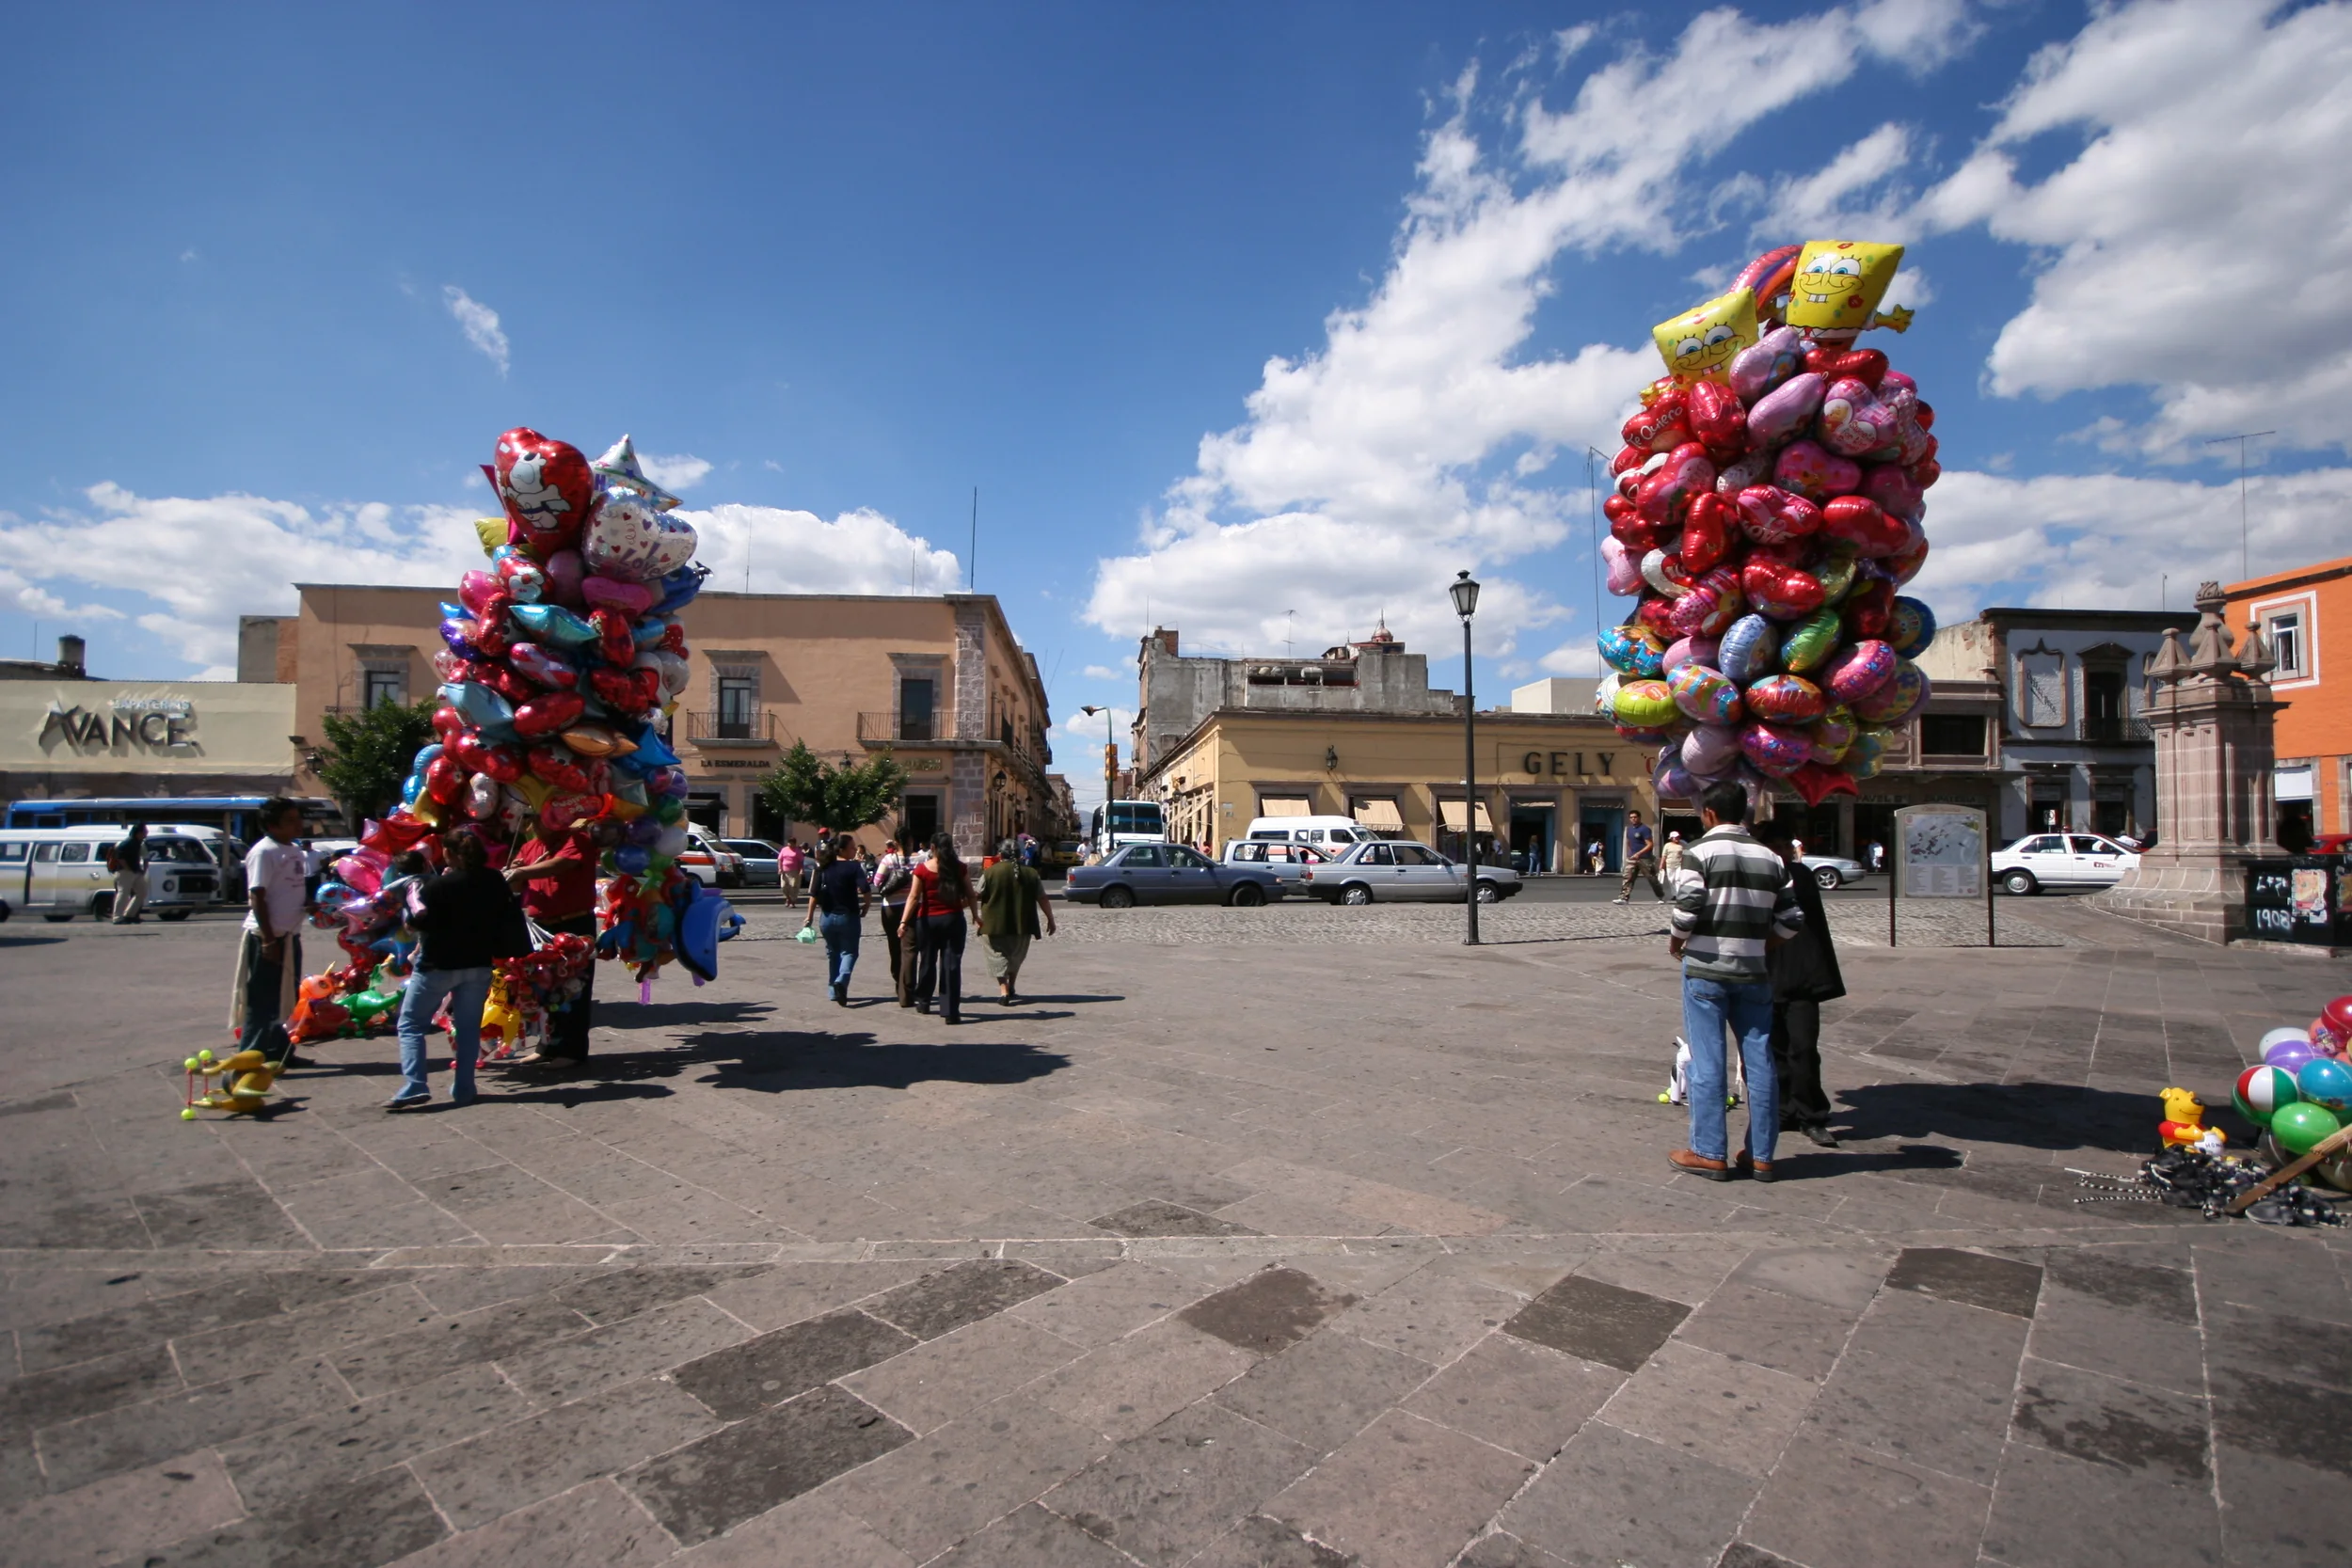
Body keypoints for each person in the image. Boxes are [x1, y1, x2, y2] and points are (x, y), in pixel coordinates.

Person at [1666, 781, 1802, 1182]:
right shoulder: (1771, 858)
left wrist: (1676, 943)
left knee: (1708, 1061)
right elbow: (1793, 919)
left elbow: (1688, 907)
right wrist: (1763, 945)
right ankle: (1761, 1155)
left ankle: (1709, 1151)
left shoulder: (1699, 853)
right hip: (1754, 972)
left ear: (1708, 814)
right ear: (1744, 813)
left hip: (1707, 969)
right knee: (1759, 1062)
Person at [390, 831, 528, 1110]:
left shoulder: (437, 887)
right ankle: (464, 1086)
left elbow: (417, 925)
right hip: (478, 964)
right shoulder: (494, 880)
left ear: (450, 854)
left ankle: (415, 1084)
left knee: (411, 1024)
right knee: (468, 1029)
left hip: (437, 965)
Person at [1751, 818, 1845, 1147]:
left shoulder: (1799, 876)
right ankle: (1784, 1109)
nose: (1779, 854)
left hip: (1802, 975)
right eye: (1771, 848)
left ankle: (1812, 1115)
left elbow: (1787, 906)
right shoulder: (1759, 875)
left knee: (1803, 1048)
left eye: (1782, 848)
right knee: (1774, 1049)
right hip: (1766, 974)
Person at [502, 820, 602, 1067]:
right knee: (543, 990)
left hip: (574, 924)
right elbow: (517, 885)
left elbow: (562, 864)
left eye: (540, 818)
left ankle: (572, 1050)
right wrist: (514, 871)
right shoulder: (530, 847)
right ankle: (546, 1046)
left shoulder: (577, 839)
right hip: (542, 926)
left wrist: (523, 871)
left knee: (574, 988)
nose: (534, 824)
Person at [230, 799, 310, 1060]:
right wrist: (267, 940)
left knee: (284, 996)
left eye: (298, 818)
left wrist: (309, 904)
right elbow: (258, 896)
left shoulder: (295, 850)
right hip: (268, 936)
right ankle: (251, 1056)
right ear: (272, 825)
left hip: (289, 934)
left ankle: (279, 1051)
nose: (298, 824)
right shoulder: (264, 852)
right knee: (262, 999)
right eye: (290, 820)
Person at [900, 832, 978, 1022]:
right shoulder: (959, 868)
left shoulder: (922, 870)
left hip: (928, 921)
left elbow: (913, 898)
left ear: (932, 848)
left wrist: (903, 922)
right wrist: (976, 916)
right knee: (951, 965)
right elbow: (971, 894)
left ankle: (924, 1002)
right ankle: (950, 1011)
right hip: (953, 920)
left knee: (927, 961)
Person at [979, 835, 1057, 1005]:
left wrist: (970, 911)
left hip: (994, 924)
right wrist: (1050, 919)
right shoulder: (1031, 873)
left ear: (1000, 854)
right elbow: (1042, 898)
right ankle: (1012, 985)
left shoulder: (990, 872)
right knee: (1015, 956)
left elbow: (977, 894)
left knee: (997, 956)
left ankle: (1004, 990)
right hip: (1023, 923)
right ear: (1020, 854)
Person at [803, 833, 870, 1005]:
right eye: (852, 848)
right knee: (849, 952)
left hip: (826, 918)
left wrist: (809, 916)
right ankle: (841, 980)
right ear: (842, 850)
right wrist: (866, 905)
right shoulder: (854, 867)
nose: (855, 850)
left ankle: (833, 990)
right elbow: (865, 889)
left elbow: (814, 895)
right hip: (848, 916)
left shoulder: (823, 867)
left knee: (833, 954)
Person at [871, 838, 913, 1006]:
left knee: (894, 947)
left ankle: (898, 982)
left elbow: (877, 882)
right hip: (912, 907)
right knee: (910, 949)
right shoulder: (920, 860)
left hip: (891, 907)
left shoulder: (888, 860)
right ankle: (909, 986)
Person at [1614, 811, 1661, 903]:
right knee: (1627, 877)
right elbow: (1629, 842)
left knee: (1651, 878)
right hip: (1632, 857)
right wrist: (1630, 853)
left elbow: (1650, 844)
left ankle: (1661, 896)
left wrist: (1638, 853)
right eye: (1631, 817)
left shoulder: (1645, 829)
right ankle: (1623, 897)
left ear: (1639, 817)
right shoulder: (1629, 829)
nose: (1633, 819)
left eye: (1635, 817)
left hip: (1644, 858)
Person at [108, 823, 149, 924]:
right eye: (144, 832)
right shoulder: (127, 843)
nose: (146, 834)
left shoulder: (139, 843)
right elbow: (119, 857)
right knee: (123, 893)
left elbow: (145, 858)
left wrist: (141, 870)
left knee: (142, 892)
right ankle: (117, 918)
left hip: (135, 871)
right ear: (138, 833)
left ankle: (129, 915)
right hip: (124, 872)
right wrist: (127, 868)